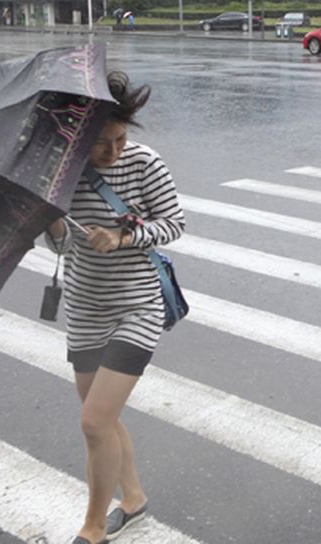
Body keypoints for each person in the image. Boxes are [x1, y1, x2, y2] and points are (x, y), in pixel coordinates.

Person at [45, 71, 186, 544]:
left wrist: (124, 236)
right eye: (103, 144)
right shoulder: (60, 174)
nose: (114, 152)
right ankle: (134, 498)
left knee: (93, 421)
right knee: (101, 417)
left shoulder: (144, 163)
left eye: (121, 139)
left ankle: (92, 528)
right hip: (85, 308)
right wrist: (56, 226)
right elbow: (60, 250)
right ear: (80, 139)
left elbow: (173, 224)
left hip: (137, 306)